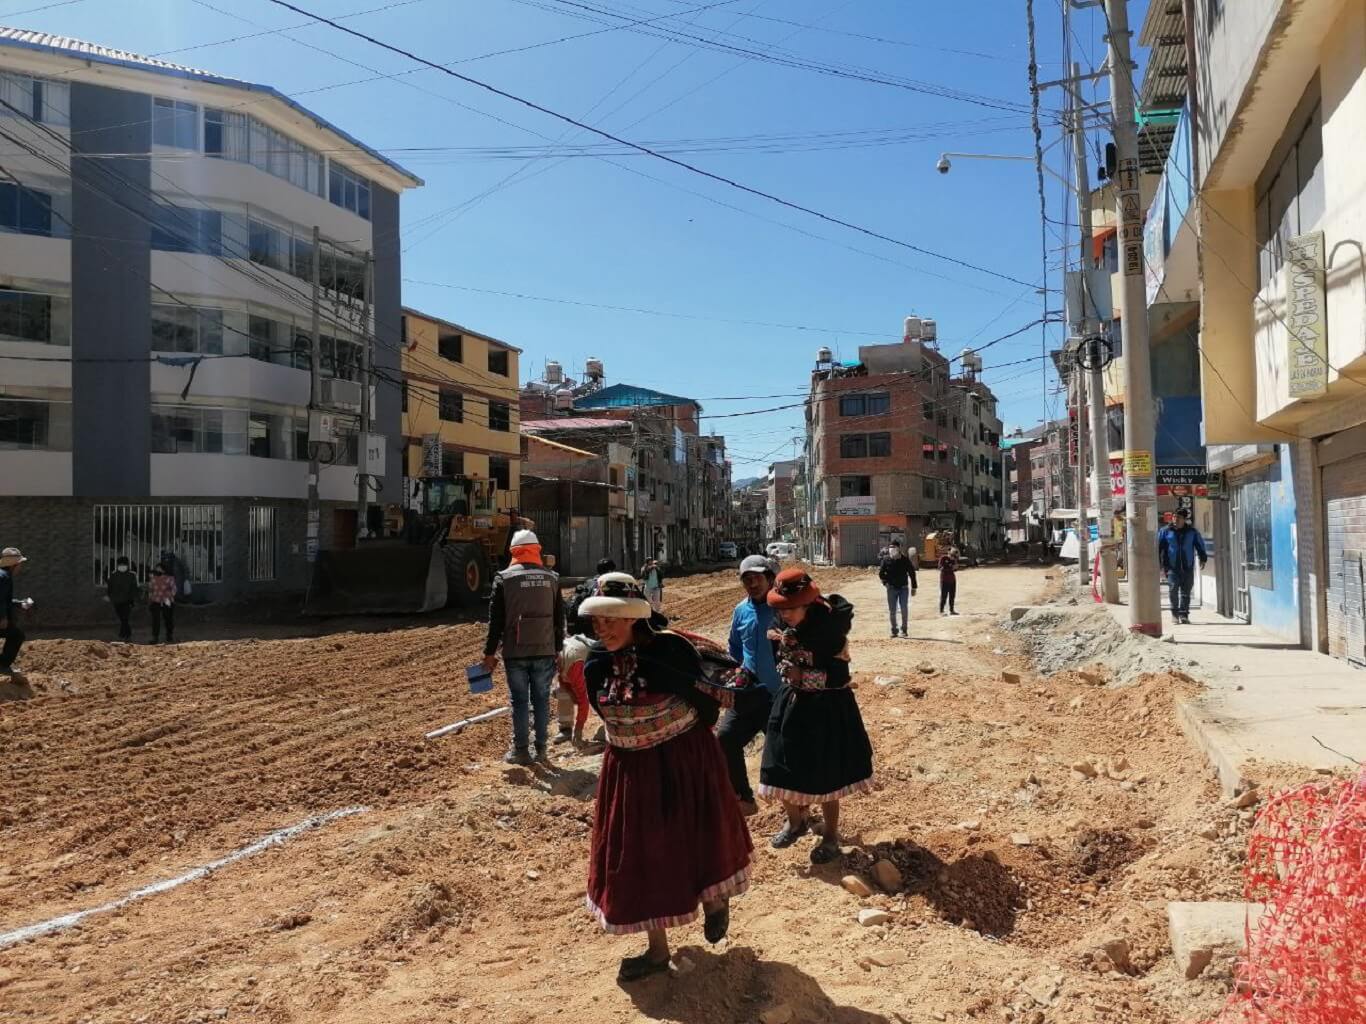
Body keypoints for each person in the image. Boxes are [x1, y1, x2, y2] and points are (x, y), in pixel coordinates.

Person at [579, 573, 752, 981]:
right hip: (630, 770)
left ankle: (714, 900)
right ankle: (657, 950)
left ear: (635, 619)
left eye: (611, 619)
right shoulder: (596, 664)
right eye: (597, 621)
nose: (602, 629)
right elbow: (603, 714)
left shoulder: (671, 653)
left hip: (684, 761)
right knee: (640, 856)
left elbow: (706, 707)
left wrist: (673, 740)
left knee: (698, 835)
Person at [760, 569, 874, 865]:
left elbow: (839, 676)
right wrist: (786, 672)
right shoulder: (779, 627)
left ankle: (832, 836)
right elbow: (779, 659)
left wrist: (803, 675)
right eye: (780, 609)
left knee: (825, 775)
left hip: (827, 707)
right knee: (778, 764)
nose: (784, 615)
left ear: (807, 604)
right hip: (791, 703)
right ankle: (795, 821)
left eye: (790, 609)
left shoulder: (830, 632)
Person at [483, 529, 565, 766]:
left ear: (514, 551)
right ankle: (541, 749)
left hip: (515, 652)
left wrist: (489, 654)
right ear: (537, 550)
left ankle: (521, 751)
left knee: (519, 701)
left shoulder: (504, 579)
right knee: (541, 699)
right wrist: (558, 649)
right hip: (545, 650)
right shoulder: (552, 578)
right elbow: (559, 619)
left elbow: (495, 621)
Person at [719, 555, 782, 816]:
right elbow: (734, 646)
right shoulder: (740, 610)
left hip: (777, 696)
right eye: (747, 579)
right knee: (724, 739)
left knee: (782, 751)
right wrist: (736, 673)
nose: (753, 583)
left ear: (770, 579)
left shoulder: (783, 609)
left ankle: (796, 808)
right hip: (747, 694)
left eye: (758, 578)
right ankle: (744, 798)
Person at [1158, 508, 1207, 625]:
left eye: (1178, 517)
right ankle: (1174, 614)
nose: (1175, 519)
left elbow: (1200, 545)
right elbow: (1158, 547)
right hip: (1171, 567)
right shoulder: (1165, 531)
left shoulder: (1192, 532)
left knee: (1186, 592)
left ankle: (1184, 614)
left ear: (1184, 519)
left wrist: (1203, 558)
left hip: (1188, 567)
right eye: (1174, 517)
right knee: (1173, 590)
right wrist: (1158, 563)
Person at [0, 547, 33, 674]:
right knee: (16, 636)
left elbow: (4, 599)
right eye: (20, 564)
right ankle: (3, 665)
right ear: (14, 565)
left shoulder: (3, 575)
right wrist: (2, 617)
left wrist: (19, 603)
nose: (21, 568)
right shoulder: (4, 578)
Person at [878, 541, 918, 638]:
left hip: (903, 588)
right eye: (890, 547)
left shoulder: (905, 560)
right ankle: (894, 630)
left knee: (904, 609)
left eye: (894, 547)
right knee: (892, 610)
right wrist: (885, 583)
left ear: (899, 548)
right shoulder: (886, 560)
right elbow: (881, 574)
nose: (892, 549)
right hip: (891, 588)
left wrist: (914, 587)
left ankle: (904, 630)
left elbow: (912, 573)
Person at [106, 556, 140, 642]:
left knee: (125, 618)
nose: (122, 566)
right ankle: (126, 634)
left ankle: (124, 635)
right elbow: (110, 587)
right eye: (120, 564)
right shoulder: (113, 575)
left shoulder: (132, 575)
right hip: (117, 601)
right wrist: (110, 596)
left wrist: (134, 599)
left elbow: (134, 588)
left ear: (127, 565)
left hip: (127, 600)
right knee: (123, 618)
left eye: (124, 564)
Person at [938, 546, 960, 616]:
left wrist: (955, 566)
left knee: (952, 595)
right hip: (944, 579)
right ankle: (941, 610)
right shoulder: (943, 558)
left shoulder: (954, 559)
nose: (953, 557)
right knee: (944, 596)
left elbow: (955, 569)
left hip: (952, 580)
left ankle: (952, 610)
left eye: (954, 556)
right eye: (952, 555)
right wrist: (950, 568)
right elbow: (940, 568)